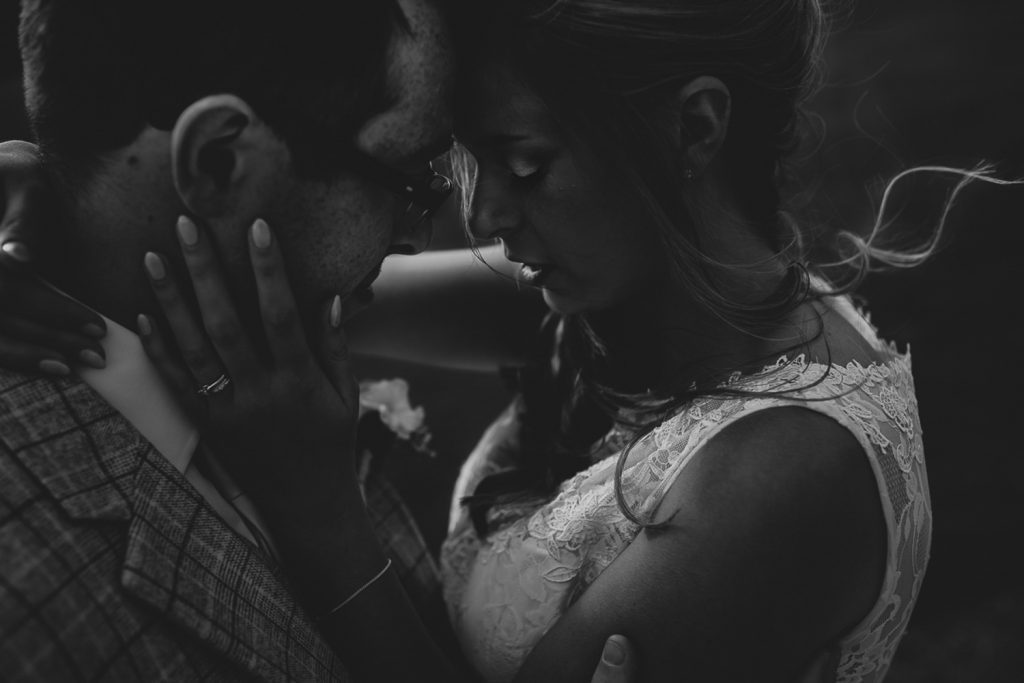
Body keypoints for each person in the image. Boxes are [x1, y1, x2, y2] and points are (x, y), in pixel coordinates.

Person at [9, 0, 1008, 680]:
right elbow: (305, 276)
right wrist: (38, 208)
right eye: (448, 165)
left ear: (692, 128)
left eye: (522, 164)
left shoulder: (780, 474)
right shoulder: (609, 297)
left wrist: (318, 504)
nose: (477, 217)